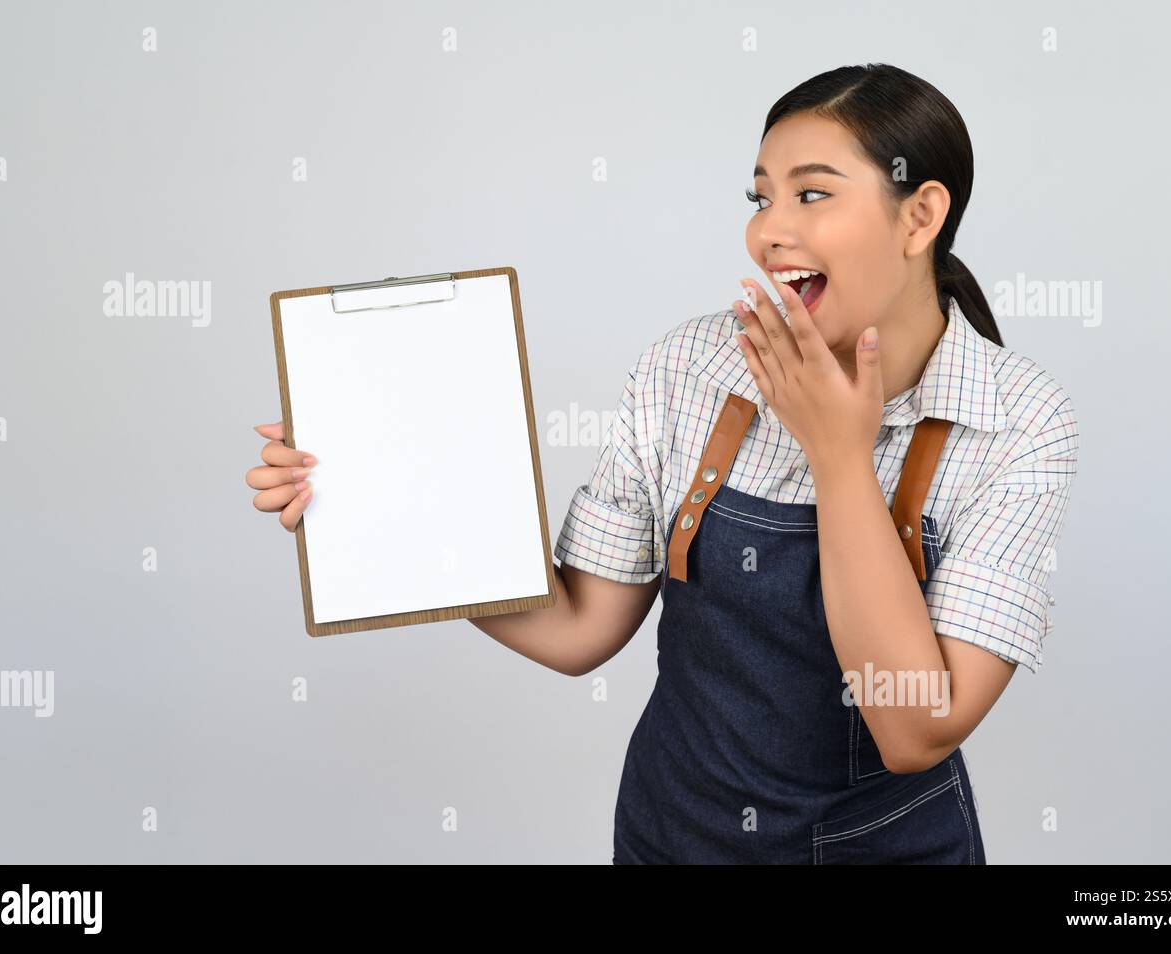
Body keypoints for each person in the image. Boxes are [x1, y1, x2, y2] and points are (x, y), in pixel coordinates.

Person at [246, 63, 1079, 864]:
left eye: (812, 193)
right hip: (670, 836)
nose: (768, 231)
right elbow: (579, 629)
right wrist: (382, 504)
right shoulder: (689, 367)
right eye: (761, 198)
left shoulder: (1021, 423)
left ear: (919, 216)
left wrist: (838, 453)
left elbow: (915, 729)